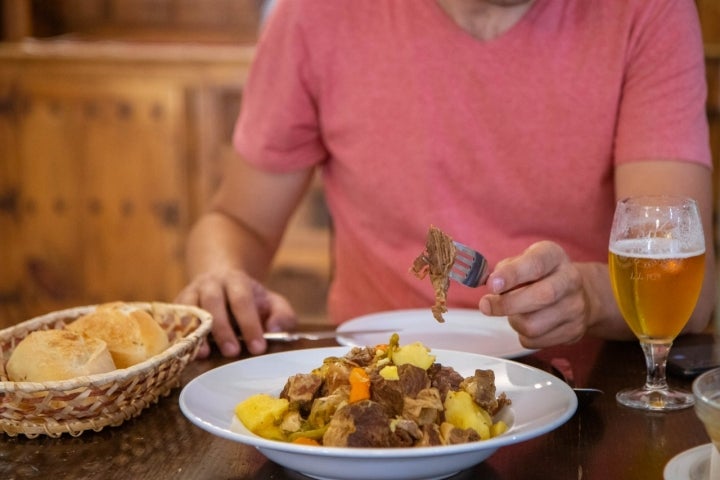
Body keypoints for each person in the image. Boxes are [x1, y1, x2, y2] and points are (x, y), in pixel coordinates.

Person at [176, 0, 716, 358]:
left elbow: (695, 291)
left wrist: (589, 298)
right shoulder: (318, 13)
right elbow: (238, 221)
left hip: (590, 401)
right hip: (371, 385)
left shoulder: (649, 11)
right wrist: (222, 278)